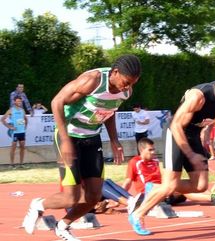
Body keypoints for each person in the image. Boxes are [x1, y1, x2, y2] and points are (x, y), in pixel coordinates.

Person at [21, 54, 141, 241]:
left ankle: (63, 226)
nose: (127, 87)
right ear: (115, 72)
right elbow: (57, 102)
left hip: (91, 138)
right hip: (68, 135)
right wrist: (65, 140)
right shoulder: (92, 81)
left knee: (93, 197)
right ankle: (38, 205)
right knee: (71, 197)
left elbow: (109, 112)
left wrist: (115, 140)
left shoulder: (126, 91)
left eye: (132, 83)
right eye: (126, 82)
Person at [128, 73, 215, 235]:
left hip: (193, 134)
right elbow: (177, 125)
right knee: (170, 185)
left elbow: (211, 117)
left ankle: (155, 187)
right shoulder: (198, 97)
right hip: (175, 132)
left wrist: (205, 136)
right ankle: (138, 214)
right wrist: (191, 154)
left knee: (200, 185)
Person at [2, 96, 28, 169]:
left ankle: (21, 164)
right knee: (13, 147)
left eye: (20, 101)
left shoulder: (22, 110)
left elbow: (26, 119)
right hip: (15, 132)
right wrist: (10, 127)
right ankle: (11, 164)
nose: (19, 102)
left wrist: (24, 127)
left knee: (22, 147)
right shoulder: (11, 110)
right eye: (18, 101)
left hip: (22, 132)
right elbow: (3, 119)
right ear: (14, 102)